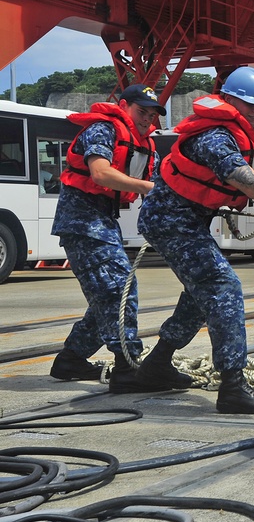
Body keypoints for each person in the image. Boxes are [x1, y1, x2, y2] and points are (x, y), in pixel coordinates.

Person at [137, 66, 254, 414]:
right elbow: (244, 181)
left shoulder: (252, 133)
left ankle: (155, 366)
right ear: (228, 100)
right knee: (223, 286)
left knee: (200, 295)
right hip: (169, 220)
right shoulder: (213, 136)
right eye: (247, 104)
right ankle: (233, 386)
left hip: (192, 220)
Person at [49, 84, 171, 391]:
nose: (146, 119)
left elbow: (157, 185)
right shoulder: (103, 130)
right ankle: (127, 368)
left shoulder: (145, 145)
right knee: (119, 291)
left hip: (104, 219)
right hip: (82, 221)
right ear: (125, 105)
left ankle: (71, 360)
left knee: (107, 297)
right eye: (141, 111)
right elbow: (101, 173)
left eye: (152, 114)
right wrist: (146, 188)